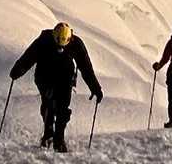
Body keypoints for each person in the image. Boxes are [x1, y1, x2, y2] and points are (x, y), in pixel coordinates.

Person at [10, 21, 103, 152]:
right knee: (48, 105)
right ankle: (48, 134)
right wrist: (18, 69)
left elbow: (85, 67)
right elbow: (29, 56)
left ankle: (59, 138)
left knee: (62, 108)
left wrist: (95, 88)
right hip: (44, 77)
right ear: (54, 36)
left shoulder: (76, 44)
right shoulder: (44, 40)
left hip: (65, 79)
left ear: (70, 39)